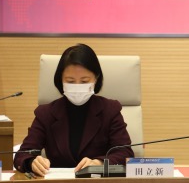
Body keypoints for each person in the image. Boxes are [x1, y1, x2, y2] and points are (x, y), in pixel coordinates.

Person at [14, 44, 134, 176]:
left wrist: (99, 163)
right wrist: (31, 162)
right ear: (61, 80)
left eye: (84, 81)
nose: (77, 86)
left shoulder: (110, 110)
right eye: (70, 81)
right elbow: (22, 154)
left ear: (96, 78)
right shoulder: (46, 113)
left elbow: (125, 153)